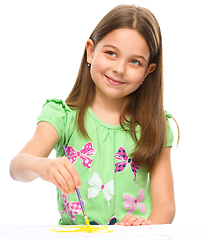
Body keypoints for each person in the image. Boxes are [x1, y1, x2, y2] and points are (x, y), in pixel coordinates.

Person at [10, 4, 179, 226]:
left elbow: (165, 203)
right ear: (91, 51)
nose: (120, 68)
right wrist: (42, 167)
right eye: (111, 53)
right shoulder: (63, 116)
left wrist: (144, 229)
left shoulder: (154, 125)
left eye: (135, 61)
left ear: (148, 71)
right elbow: (17, 167)